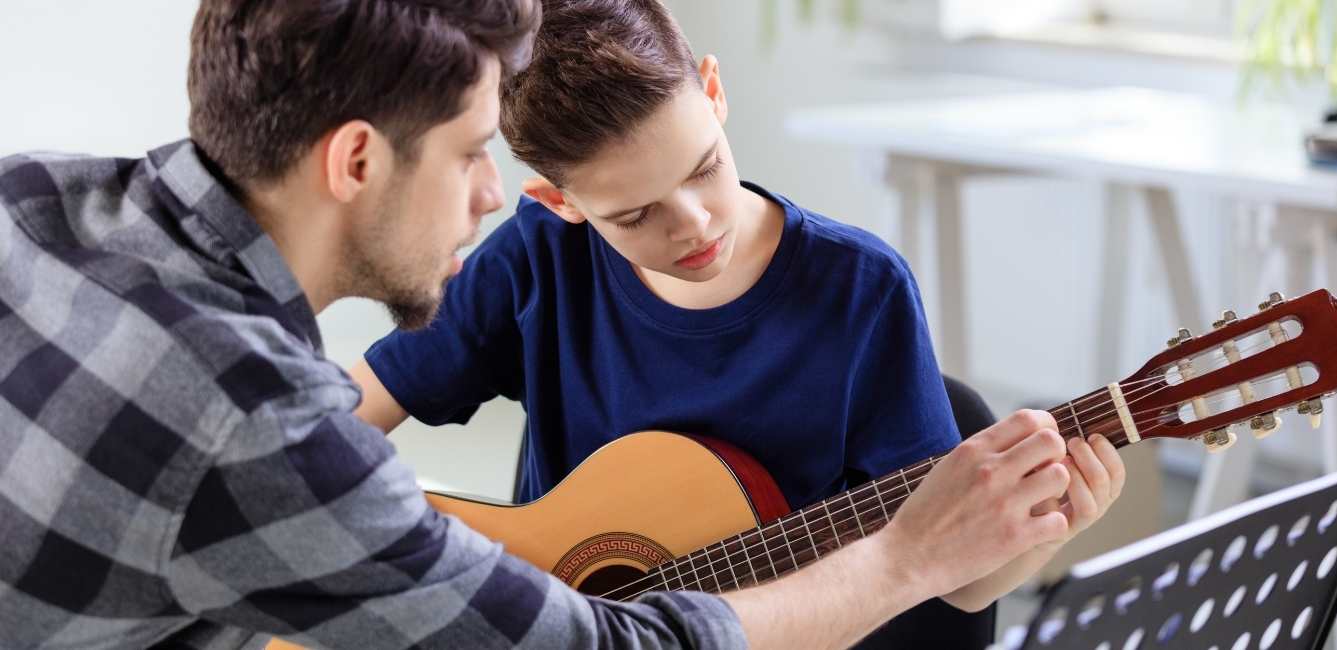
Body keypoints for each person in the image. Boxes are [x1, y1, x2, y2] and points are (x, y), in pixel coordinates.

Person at [0, 1, 1088, 648]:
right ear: (358, 161)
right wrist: (899, 560)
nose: (494, 194)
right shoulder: (258, 429)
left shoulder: (29, 194)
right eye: (477, 151)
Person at [352, 0, 1127, 643]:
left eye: (703, 167)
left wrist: (1043, 529)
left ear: (713, 93)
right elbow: (342, 414)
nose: (692, 225)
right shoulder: (541, 257)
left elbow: (955, 588)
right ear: (560, 202)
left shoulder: (859, 291)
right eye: (635, 215)